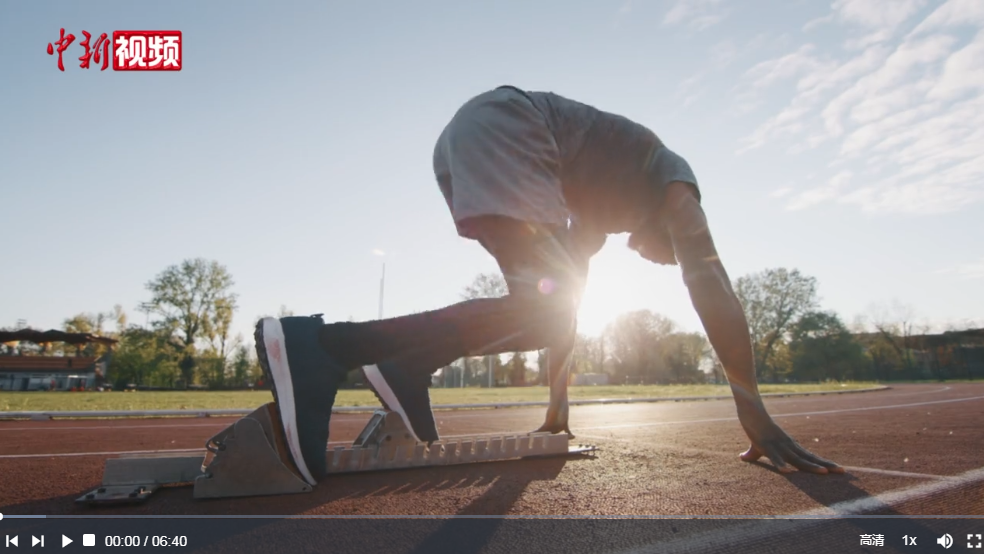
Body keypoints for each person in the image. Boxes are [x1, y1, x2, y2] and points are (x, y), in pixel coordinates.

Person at [254, 85, 845, 487]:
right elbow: (710, 277)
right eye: (668, 254)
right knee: (550, 310)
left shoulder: (592, 221)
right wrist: (754, 412)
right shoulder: (673, 178)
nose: (658, 258)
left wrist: (558, 408)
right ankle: (326, 347)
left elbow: (568, 308)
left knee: (544, 313)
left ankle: (405, 366)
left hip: (466, 145)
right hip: (514, 127)